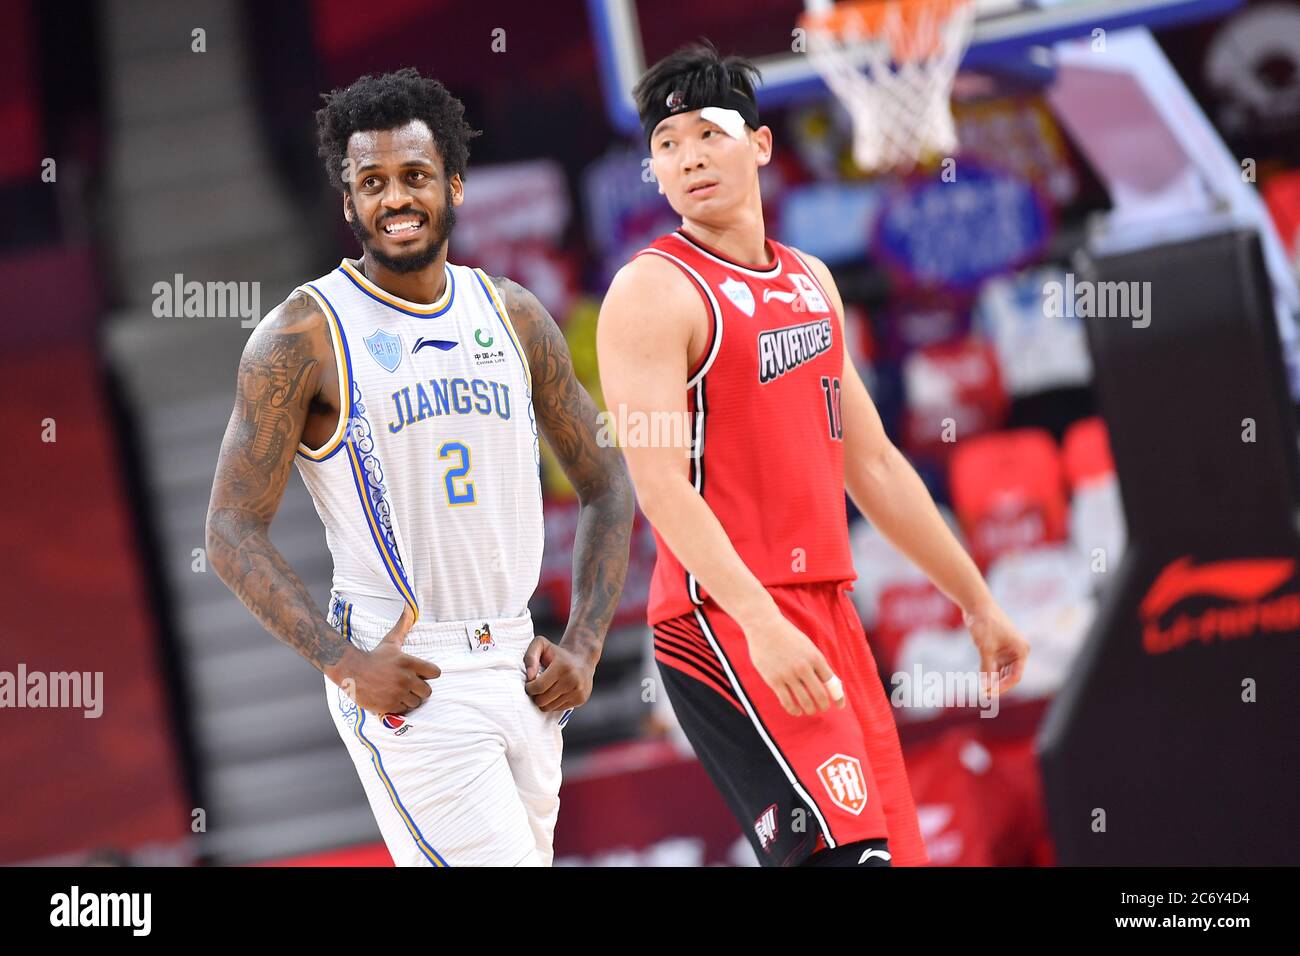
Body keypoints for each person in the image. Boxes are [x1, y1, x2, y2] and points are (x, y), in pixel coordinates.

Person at [596, 42, 1029, 867]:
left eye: (707, 134)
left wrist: (976, 600)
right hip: (723, 617)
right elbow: (657, 484)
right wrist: (759, 621)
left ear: (759, 145)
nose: (687, 158)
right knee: (843, 858)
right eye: (666, 145)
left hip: (828, 610)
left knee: (887, 857)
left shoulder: (810, 281)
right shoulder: (652, 291)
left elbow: (871, 466)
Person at [205, 68, 634, 867]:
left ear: (456, 187)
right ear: (347, 202)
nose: (394, 198)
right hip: (410, 675)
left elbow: (608, 484)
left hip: (519, 662)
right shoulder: (303, 335)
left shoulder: (512, 315)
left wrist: (584, 643)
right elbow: (229, 530)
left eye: (413, 176)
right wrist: (343, 664)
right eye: (372, 182)